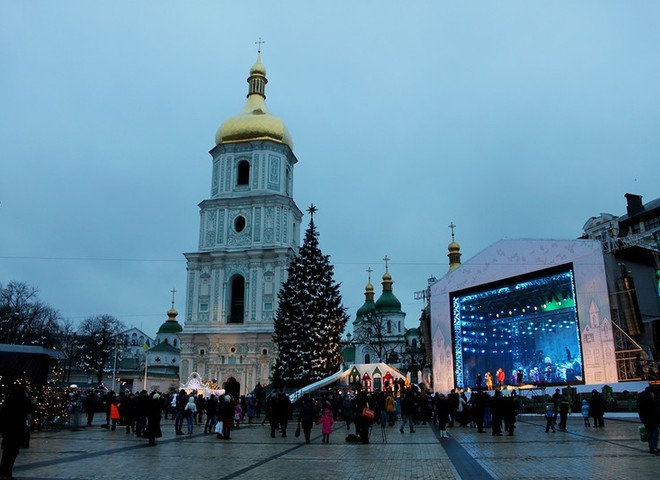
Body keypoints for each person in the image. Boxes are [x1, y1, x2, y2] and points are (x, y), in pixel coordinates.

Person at [0, 384, 33, 479]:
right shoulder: (22, 400)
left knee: (7, 452)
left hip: (7, 429)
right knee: (12, 452)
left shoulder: (9, 399)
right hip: (16, 429)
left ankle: (4, 473)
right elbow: (30, 408)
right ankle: (6, 473)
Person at [636, 386, 659, 454]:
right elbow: (654, 408)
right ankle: (653, 447)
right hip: (651, 418)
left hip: (644, 418)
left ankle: (651, 447)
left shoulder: (640, 397)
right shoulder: (649, 398)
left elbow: (638, 409)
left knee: (650, 432)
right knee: (655, 431)